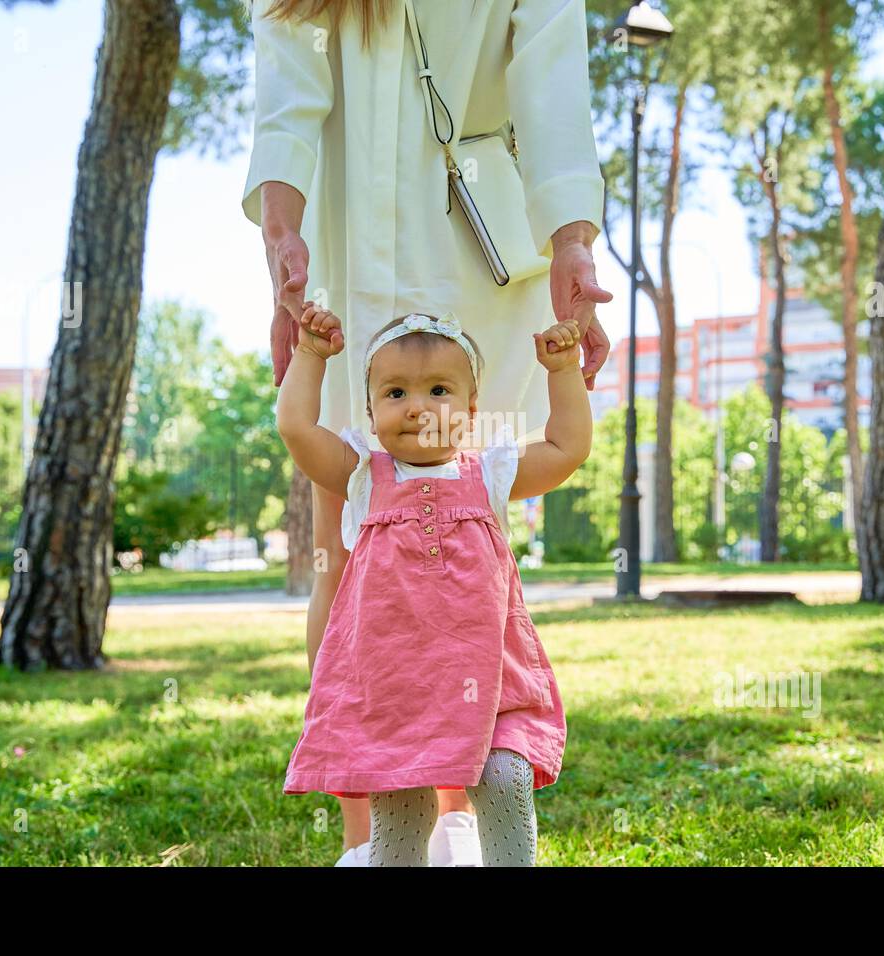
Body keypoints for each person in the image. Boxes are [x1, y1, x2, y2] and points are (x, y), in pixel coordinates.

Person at [242, 0, 611, 864]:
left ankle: (462, 815)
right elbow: (286, 78)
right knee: (350, 535)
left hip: (481, 239)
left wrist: (576, 240)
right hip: (341, 241)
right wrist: (282, 236)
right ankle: (372, 832)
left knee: (469, 523)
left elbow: (554, 69)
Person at [275, 301, 590, 865]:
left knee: (504, 778)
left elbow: (568, 449)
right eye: (396, 393)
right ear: (371, 414)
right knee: (401, 806)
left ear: (470, 408)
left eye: (438, 390)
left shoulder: (488, 474)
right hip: (395, 690)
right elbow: (296, 427)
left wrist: (563, 373)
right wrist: (308, 355)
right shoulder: (361, 479)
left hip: (492, 684)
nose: (418, 407)